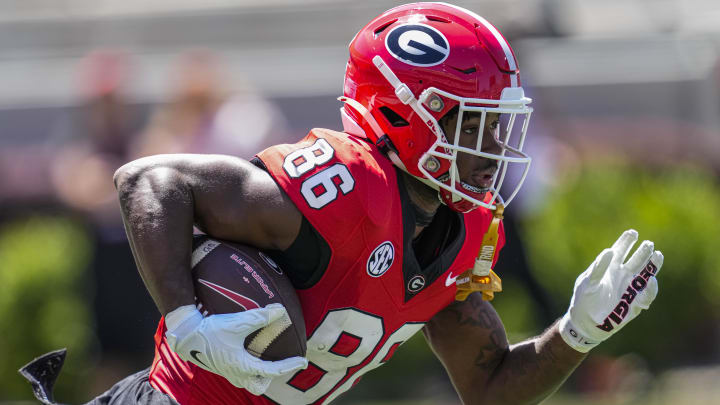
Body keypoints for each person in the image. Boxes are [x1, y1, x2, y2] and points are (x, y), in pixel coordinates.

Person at [21, 3, 663, 404]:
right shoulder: (344, 185)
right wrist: (187, 323)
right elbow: (148, 180)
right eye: (472, 124)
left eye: (498, 124)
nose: (493, 144)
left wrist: (576, 334)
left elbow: (488, 387)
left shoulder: (467, 229)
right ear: (401, 113)